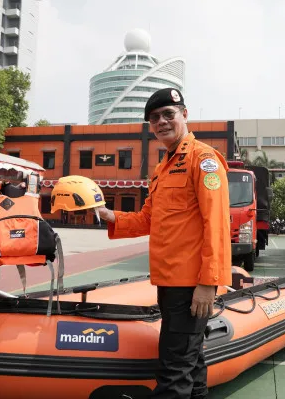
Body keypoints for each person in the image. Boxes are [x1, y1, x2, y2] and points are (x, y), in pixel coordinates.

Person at [96, 88, 231, 398]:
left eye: (168, 114)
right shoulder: (162, 169)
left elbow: (217, 223)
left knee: (174, 369)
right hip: (169, 281)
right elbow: (148, 220)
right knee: (190, 361)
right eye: (154, 118)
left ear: (184, 114)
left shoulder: (204, 159)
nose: (161, 122)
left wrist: (209, 282)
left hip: (190, 284)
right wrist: (108, 215)